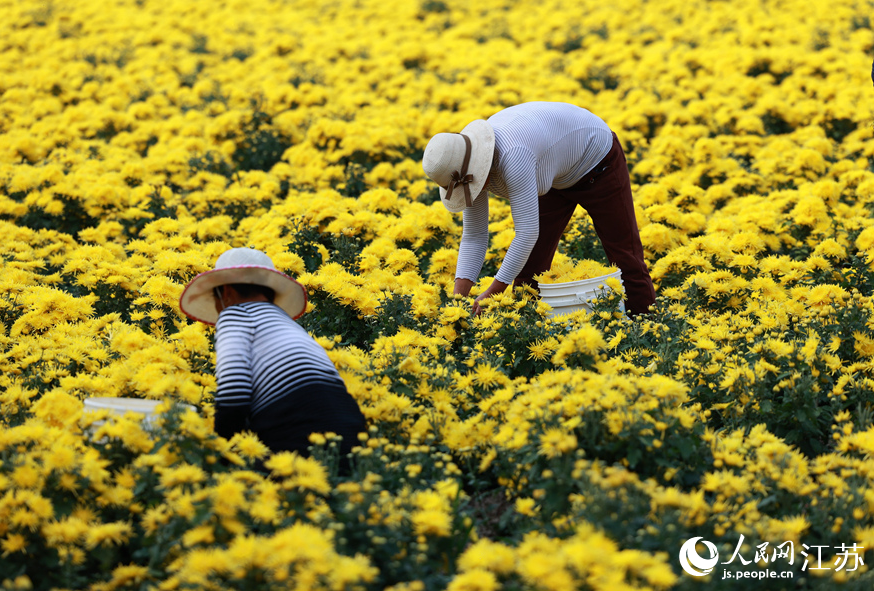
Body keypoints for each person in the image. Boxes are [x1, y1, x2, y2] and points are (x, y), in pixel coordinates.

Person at [422, 101, 656, 316]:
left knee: (625, 256)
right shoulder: (465, 163)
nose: (473, 188)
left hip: (597, 162)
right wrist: (457, 303)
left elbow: (527, 233)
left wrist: (494, 291)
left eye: (472, 184)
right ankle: (529, 336)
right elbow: (474, 235)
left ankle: (647, 326)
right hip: (550, 172)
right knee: (529, 272)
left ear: (477, 166)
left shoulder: (513, 157)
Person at [179, 247, 366, 468]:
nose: (218, 309)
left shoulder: (235, 313)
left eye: (215, 299)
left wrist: (222, 453)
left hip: (296, 434)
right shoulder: (289, 325)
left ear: (226, 292)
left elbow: (233, 392)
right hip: (352, 431)